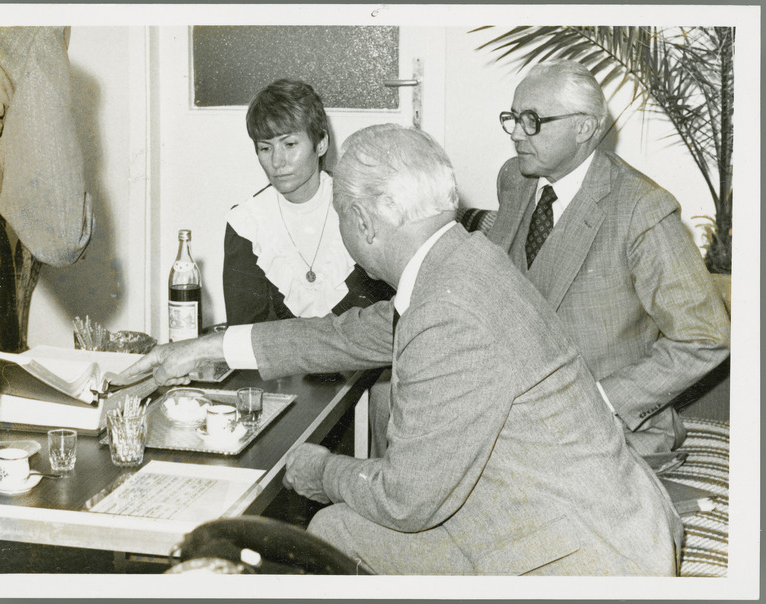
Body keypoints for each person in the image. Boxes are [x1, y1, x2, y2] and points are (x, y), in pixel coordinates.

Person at [122, 124, 682, 576]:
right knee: (339, 529)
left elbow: (404, 501)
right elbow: (352, 333)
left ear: (363, 221)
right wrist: (212, 347)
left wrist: (316, 469)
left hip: (589, 563)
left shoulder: (448, 311)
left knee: (328, 530)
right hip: (606, 515)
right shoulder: (468, 260)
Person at [488, 60, 730, 456]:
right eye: (512, 118)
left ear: (584, 127)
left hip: (608, 432)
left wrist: (599, 400)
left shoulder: (642, 208)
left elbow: (705, 336)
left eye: (531, 120)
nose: (516, 133)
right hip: (516, 411)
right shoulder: (515, 179)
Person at [222, 79, 393, 326]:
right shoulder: (247, 223)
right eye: (265, 148)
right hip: (277, 363)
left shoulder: (361, 207)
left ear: (321, 143)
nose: (277, 161)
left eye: (289, 144)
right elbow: (244, 332)